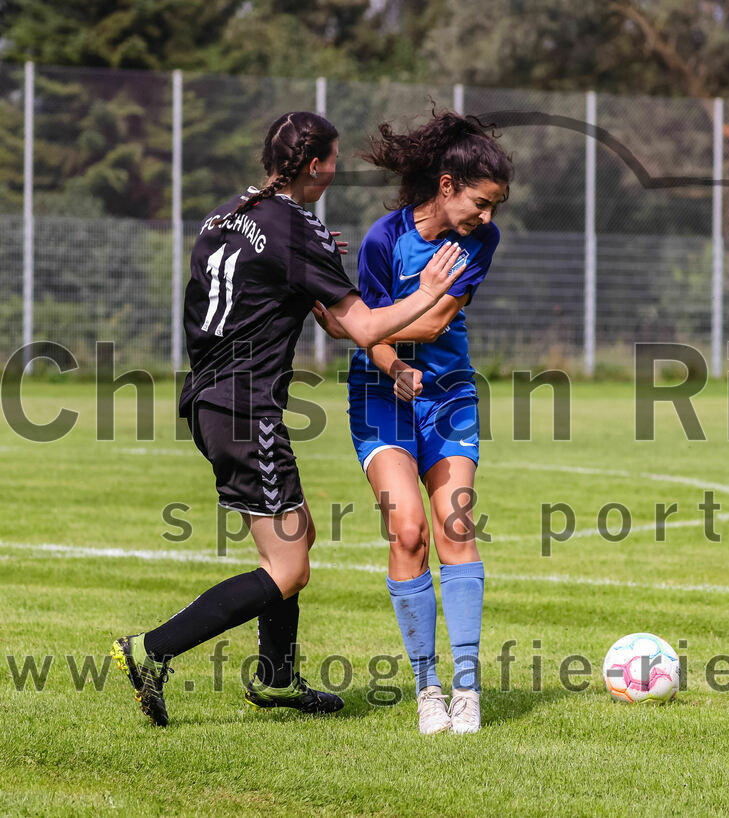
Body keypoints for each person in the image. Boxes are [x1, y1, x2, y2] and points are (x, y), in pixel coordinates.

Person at [111, 111, 465, 726]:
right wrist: (429, 287)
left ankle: (277, 678)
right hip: (245, 408)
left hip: (210, 397)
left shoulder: (229, 213)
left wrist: (315, 272)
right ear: (312, 165)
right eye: (330, 161)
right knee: (288, 567)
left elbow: (261, 283)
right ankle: (151, 650)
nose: (333, 172)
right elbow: (360, 326)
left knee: (297, 534)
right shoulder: (296, 228)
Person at [314, 110, 512, 735]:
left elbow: (428, 324)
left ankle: (467, 688)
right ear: (447, 185)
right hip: (380, 394)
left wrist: (359, 324)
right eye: (481, 202)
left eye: (495, 206)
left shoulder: (479, 243)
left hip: (448, 393)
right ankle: (427, 687)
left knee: (455, 524)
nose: (488, 217)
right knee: (407, 533)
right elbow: (370, 336)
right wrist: (390, 361)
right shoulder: (382, 239)